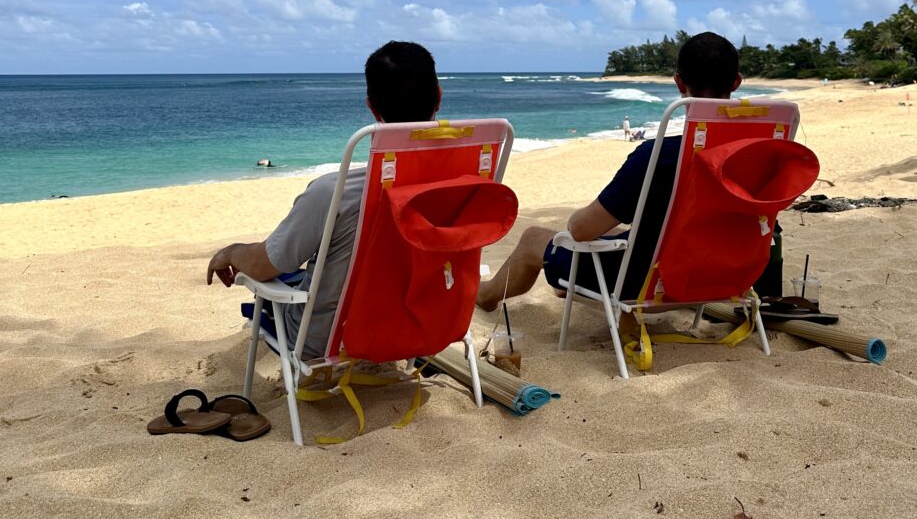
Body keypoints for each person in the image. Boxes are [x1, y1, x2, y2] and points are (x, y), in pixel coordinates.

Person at [476, 32, 742, 312]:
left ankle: (486, 296)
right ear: (736, 81)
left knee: (535, 236)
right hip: (716, 276)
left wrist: (576, 222)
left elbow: (581, 229)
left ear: (678, 82)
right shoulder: (755, 154)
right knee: (617, 230)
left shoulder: (659, 155)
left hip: (641, 285)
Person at [207, 41, 442, 358]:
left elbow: (265, 265)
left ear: (372, 108)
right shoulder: (460, 184)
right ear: (438, 97)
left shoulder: (335, 192)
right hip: (422, 325)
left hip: (333, 341)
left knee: (271, 292)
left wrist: (231, 252)